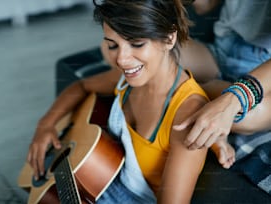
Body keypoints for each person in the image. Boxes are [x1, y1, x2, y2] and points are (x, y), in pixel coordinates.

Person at [27, 0, 209, 203]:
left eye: (136, 44)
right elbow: (81, 86)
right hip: (103, 179)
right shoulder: (127, 79)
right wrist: (45, 125)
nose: (121, 59)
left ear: (169, 38)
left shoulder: (187, 114)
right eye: (112, 45)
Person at [173, 0, 271, 169]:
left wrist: (233, 101)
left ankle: (189, 91)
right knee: (148, 47)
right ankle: (203, 96)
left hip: (265, 75)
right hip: (222, 48)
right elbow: (204, 6)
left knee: (250, 115)